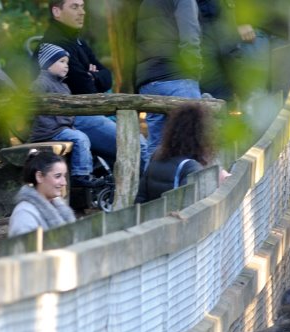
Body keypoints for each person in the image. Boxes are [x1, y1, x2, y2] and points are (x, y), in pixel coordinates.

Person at [42, 0, 147, 171]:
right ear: (56, 12)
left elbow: (107, 77)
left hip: (87, 111)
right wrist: (94, 78)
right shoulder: (55, 44)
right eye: (74, 7)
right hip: (73, 117)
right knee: (137, 145)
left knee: (136, 145)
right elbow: (85, 87)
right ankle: (147, 196)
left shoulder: (77, 41)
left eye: (82, 6)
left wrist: (94, 77)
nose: (82, 12)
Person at [136, 0, 203, 163]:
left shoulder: (146, 3)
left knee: (156, 147)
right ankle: (188, 188)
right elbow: (189, 33)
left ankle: (150, 187)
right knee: (192, 146)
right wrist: (194, 69)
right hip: (177, 76)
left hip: (149, 80)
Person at [28, 43, 99, 189]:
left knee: (80, 137)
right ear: (48, 65)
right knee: (80, 137)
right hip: (48, 131)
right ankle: (81, 175)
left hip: (60, 129)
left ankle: (85, 172)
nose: (66, 66)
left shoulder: (63, 85)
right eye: (61, 62)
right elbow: (30, 103)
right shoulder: (41, 83)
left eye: (67, 62)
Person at [136, 101, 228, 202]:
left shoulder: (157, 154)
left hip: (151, 216)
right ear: (203, 135)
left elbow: (141, 197)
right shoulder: (191, 167)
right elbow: (189, 205)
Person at [7, 149, 76, 236]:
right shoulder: (24, 214)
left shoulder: (57, 206)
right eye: (58, 176)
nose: (64, 183)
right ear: (39, 176)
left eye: (64, 176)